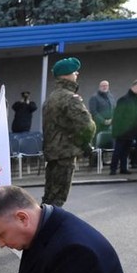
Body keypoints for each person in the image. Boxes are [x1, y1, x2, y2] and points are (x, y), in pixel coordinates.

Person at [41, 57, 95, 207]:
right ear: (67, 75)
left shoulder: (52, 97)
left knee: (49, 197)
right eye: (74, 72)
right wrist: (84, 143)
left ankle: (44, 227)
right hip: (65, 153)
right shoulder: (69, 98)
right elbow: (87, 125)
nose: (76, 74)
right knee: (58, 199)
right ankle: (50, 229)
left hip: (53, 152)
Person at [109, 80, 137, 175]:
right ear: (136, 86)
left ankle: (123, 168)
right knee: (118, 150)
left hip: (131, 130)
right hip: (123, 130)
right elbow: (118, 115)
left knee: (126, 151)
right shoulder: (124, 99)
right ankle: (113, 168)